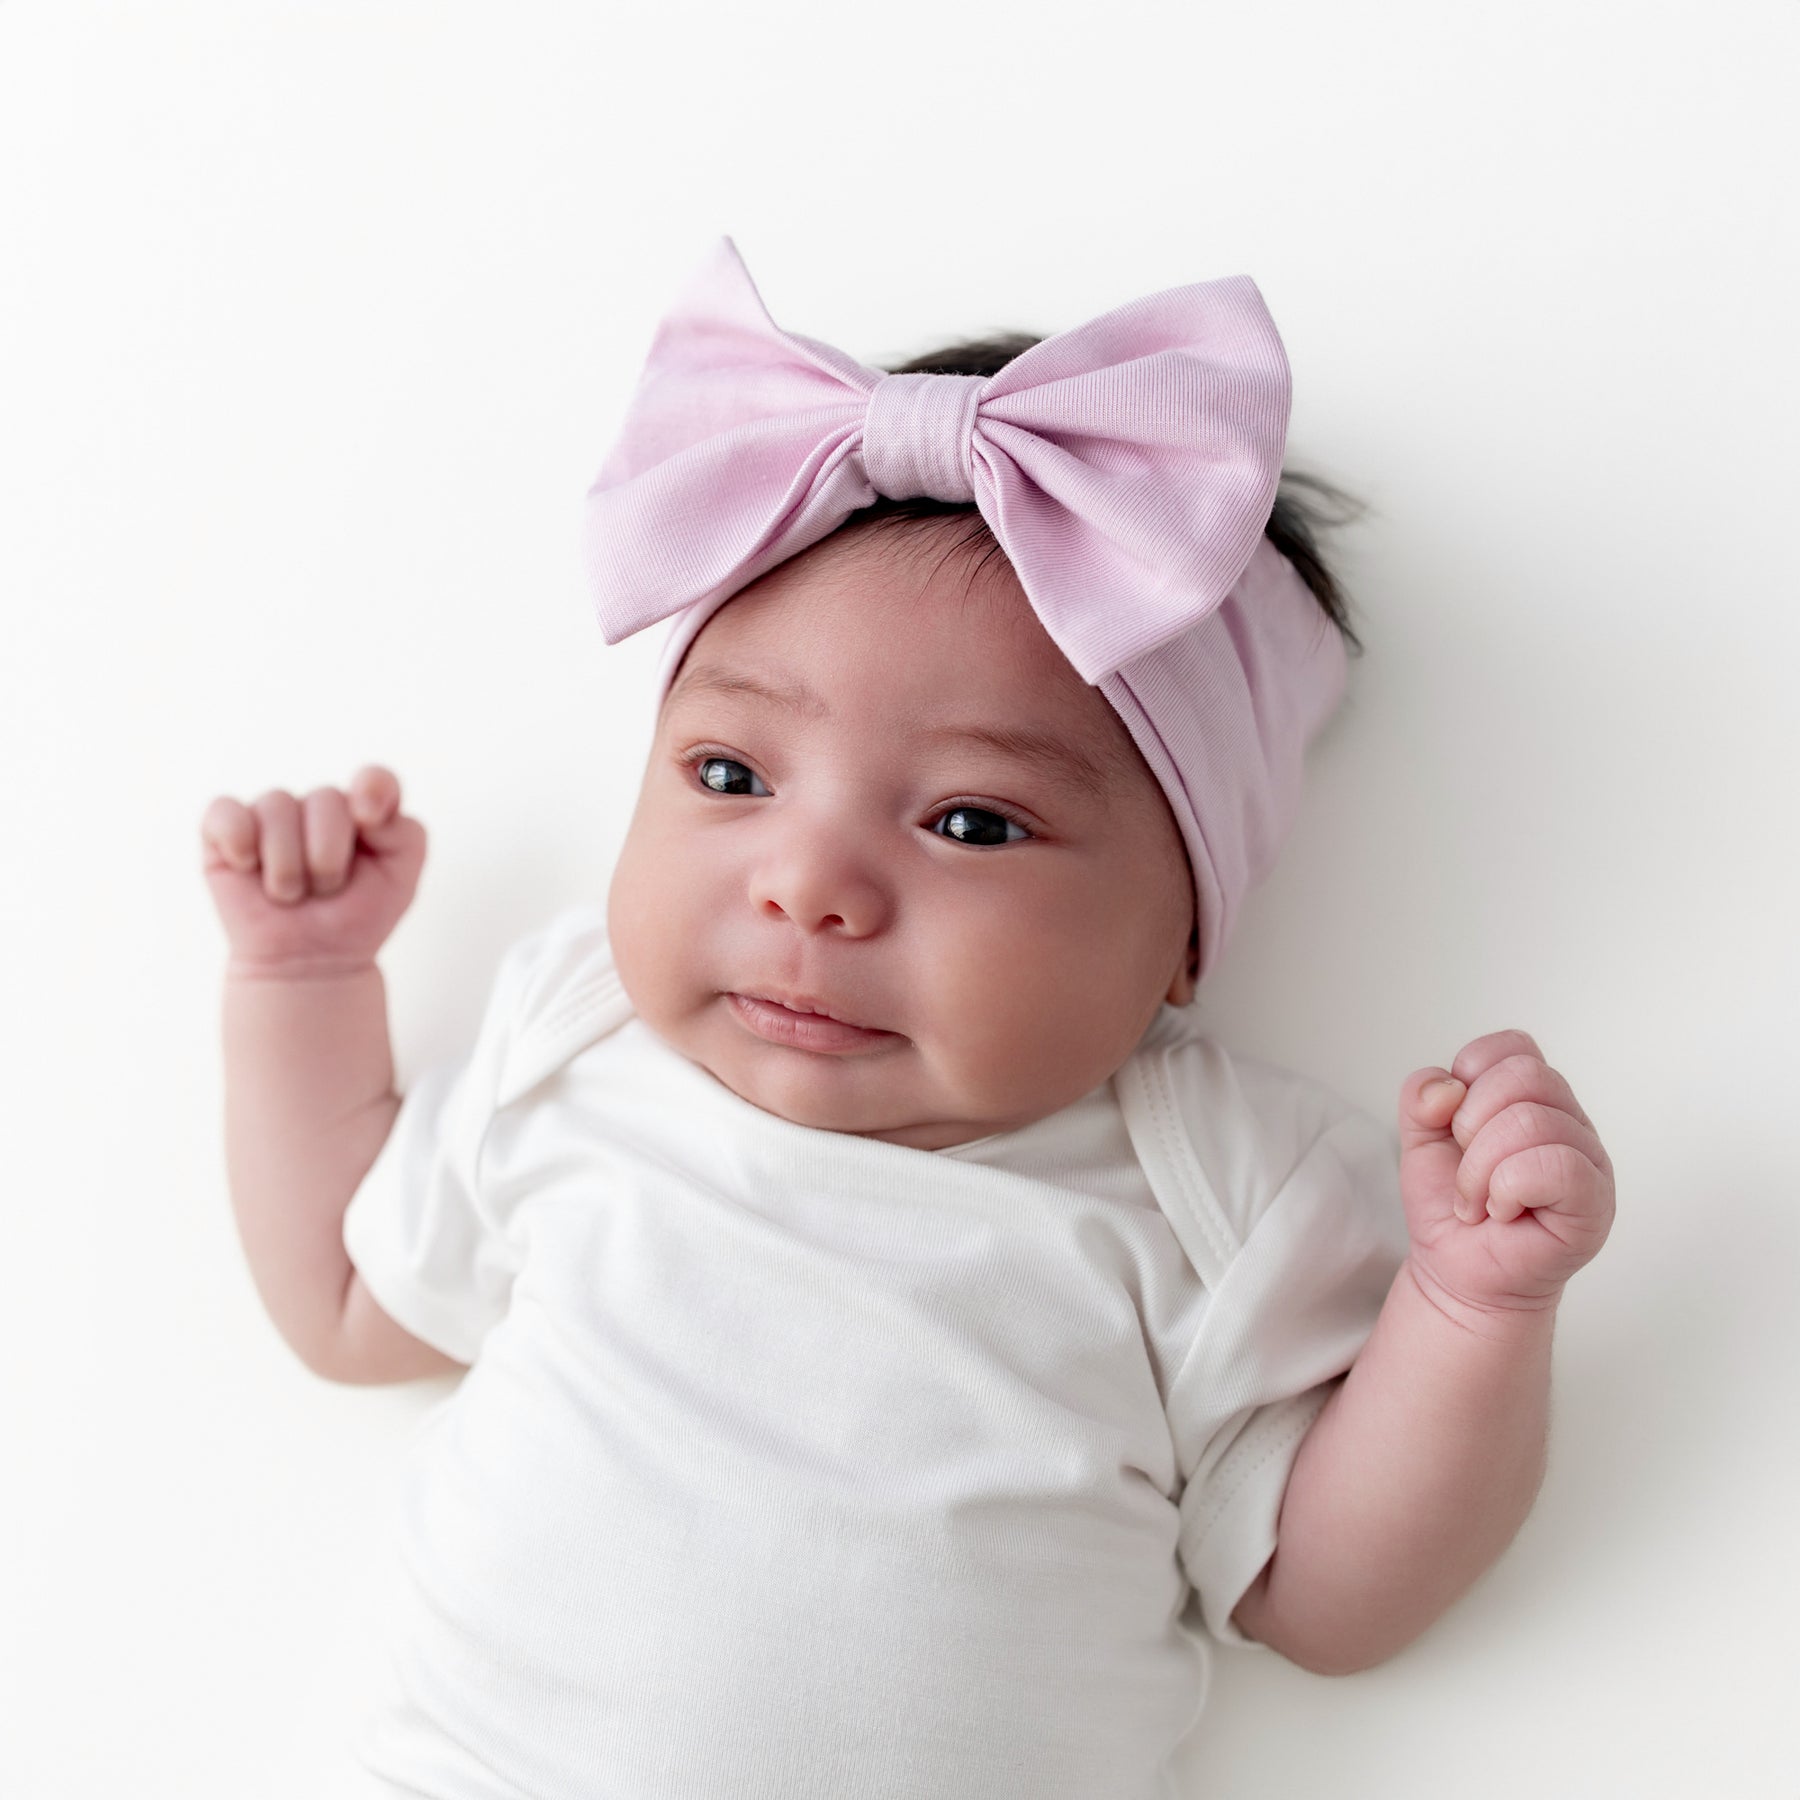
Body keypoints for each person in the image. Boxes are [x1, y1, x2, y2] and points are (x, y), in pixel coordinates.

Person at [201, 238, 1616, 1799]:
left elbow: (1333, 1601)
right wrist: (302, 985)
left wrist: (1475, 1318)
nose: (808, 885)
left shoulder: (1208, 1180)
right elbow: (349, 1304)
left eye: (971, 823)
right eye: (733, 778)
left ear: (1180, 937)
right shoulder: (582, 1039)